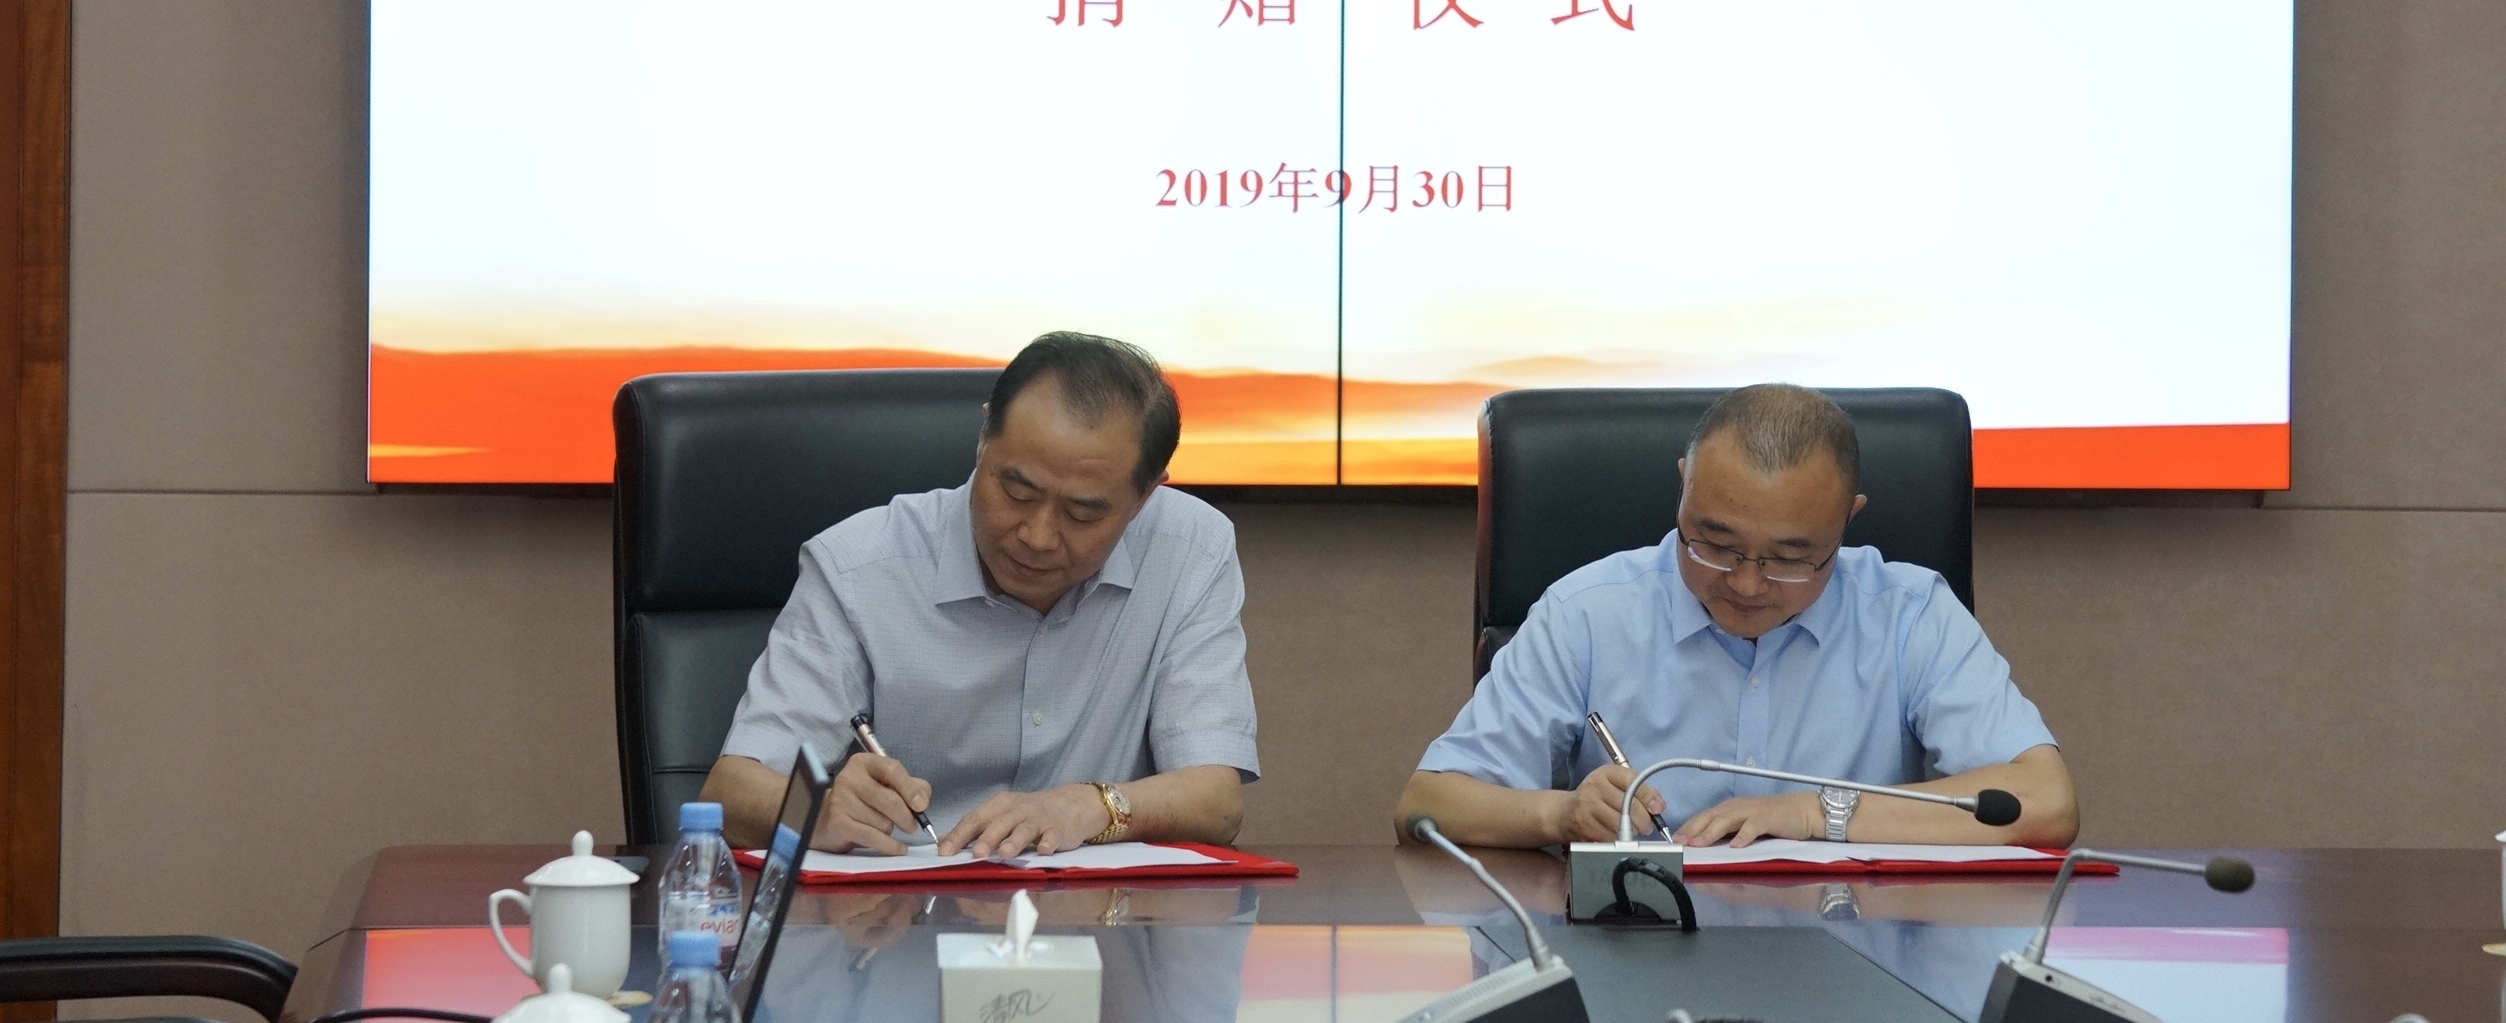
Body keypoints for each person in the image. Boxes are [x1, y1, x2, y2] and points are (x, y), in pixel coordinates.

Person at [1396, 383, 2077, 850]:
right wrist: (1562, 813)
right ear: (1683, 486)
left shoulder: (1908, 614)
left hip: (1858, 955)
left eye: (1791, 557)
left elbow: (2045, 803)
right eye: (1714, 544)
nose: (1747, 584)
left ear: (1848, 519)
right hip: (1634, 956)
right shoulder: (1589, 613)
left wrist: (1812, 813)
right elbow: (1426, 804)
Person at [703, 331, 1258, 858]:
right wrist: (816, 812)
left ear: (1144, 497)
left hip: (1097, 915)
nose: (1037, 536)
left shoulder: (1190, 550)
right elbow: (729, 794)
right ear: (983, 438)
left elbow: (1217, 802)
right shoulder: (857, 567)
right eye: (1016, 491)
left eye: (1082, 513)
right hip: (899, 911)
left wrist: (1089, 806)